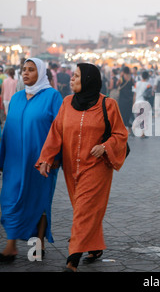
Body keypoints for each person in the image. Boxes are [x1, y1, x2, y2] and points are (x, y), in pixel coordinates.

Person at [36, 63, 128, 272]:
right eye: (73, 76)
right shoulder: (67, 102)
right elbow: (56, 132)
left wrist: (105, 146)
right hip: (72, 167)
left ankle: (72, 259)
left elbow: (121, 134)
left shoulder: (108, 104)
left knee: (84, 211)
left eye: (77, 76)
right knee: (84, 209)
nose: (72, 79)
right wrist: (46, 158)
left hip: (97, 167)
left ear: (88, 79)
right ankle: (94, 247)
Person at [0, 58, 63, 262]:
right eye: (23, 69)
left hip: (41, 162)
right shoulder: (17, 98)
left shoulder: (52, 96)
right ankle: (11, 246)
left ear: (41, 73)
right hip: (15, 162)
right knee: (10, 199)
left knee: (39, 201)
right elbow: (7, 130)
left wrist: (55, 157)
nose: (25, 73)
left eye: (31, 70)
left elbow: (61, 129)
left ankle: (38, 243)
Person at [133, 70, 152, 138]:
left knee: (138, 116)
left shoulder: (137, 83)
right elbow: (150, 94)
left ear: (141, 76)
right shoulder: (148, 85)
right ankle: (142, 133)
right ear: (147, 77)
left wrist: (133, 103)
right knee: (144, 117)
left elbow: (134, 94)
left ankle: (134, 128)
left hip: (137, 102)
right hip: (144, 102)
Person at [118, 66, 134, 135]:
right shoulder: (131, 78)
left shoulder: (121, 78)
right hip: (129, 98)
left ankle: (124, 129)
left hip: (122, 99)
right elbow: (133, 85)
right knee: (128, 114)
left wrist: (121, 76)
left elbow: (117, 84)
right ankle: (129, 128)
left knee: (122, 114)